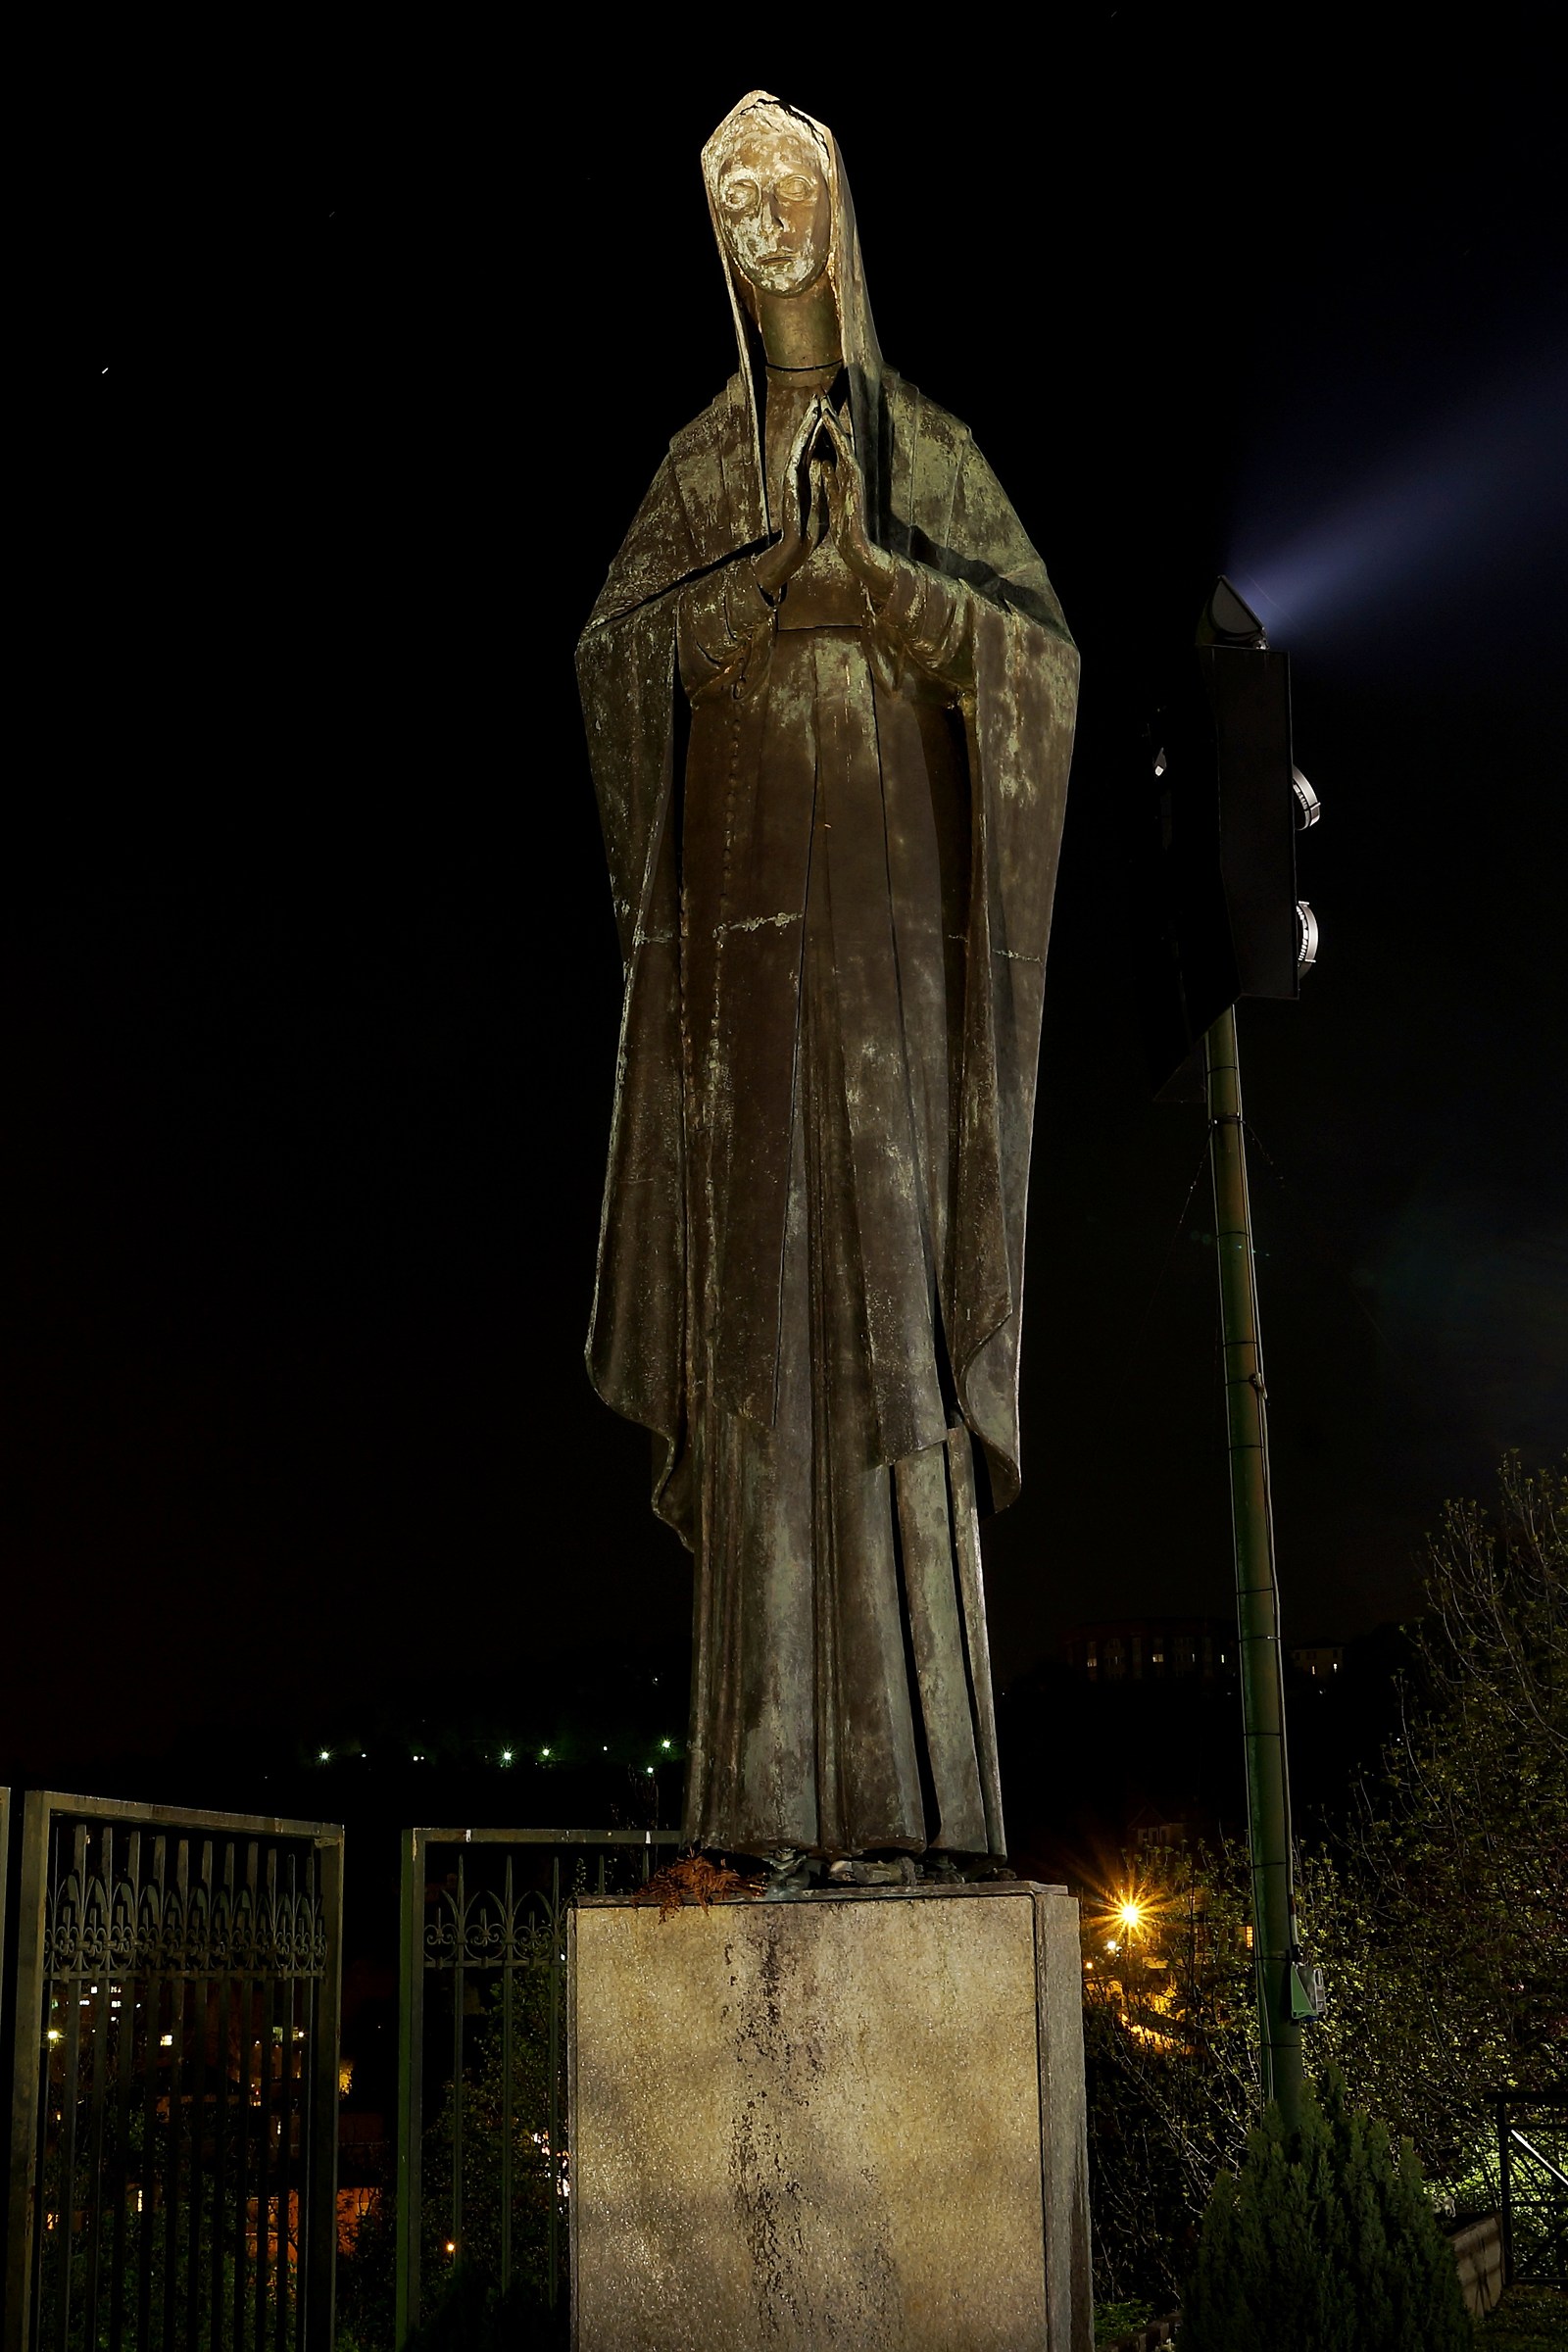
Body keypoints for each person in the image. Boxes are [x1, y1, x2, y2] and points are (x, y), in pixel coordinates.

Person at [577, 92, 1079, 1875]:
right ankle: (761, 1801)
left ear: (838, 212)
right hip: (736, 997)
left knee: (894, 1339)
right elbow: (614, 665)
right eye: (731, 199)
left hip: (884, 975)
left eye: (785, 187)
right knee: (757, 1344)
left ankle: (924, 1812)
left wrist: (887, 595)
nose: (763, 222)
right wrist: (749, 598)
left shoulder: (927, 451)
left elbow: (1037, 666)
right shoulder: (699, 474)